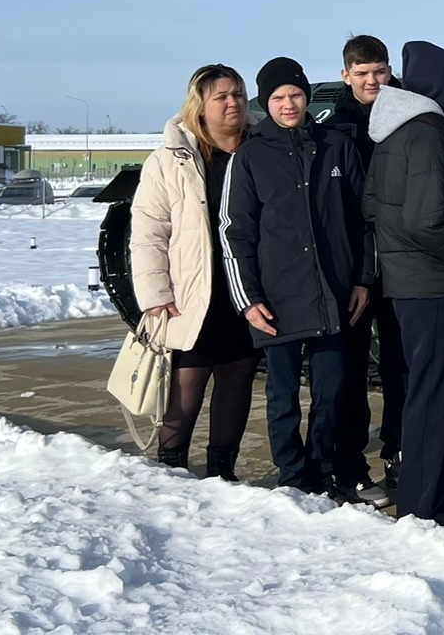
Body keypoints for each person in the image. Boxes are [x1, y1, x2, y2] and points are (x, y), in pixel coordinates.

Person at [221, 57, 374, 498]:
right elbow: (236, 232)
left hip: (332, 292)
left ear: (306, 96)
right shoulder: (249, 157)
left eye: (294, 95)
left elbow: (364, 217)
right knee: (283, 397)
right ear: (265, 102)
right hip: (277, 297)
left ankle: (323, 473)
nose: (288, 104)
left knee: (331, 394)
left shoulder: (335, 146)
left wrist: (363, 278)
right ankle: (292, 476)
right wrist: (247, 298)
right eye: (277, 97)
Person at [364, 41, 444, 521]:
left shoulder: (393, 129)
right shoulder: (430, 131)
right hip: (433, 282)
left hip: (408, 281)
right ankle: (423, 508)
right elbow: (427, 218)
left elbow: (373, 206)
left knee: (424, 390)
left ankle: (437, 495)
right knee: (433, 396)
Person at [130, 64, 258, 482]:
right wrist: (154, 293)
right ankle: (171, 468)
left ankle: (223, 470)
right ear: (199, 106)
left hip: (244, 289)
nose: (233, 103)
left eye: (238, 94)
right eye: (221, 96)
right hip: (190, 291)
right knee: (186, 381)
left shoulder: (258, 151)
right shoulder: (171, 159)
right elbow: (149, 230)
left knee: (237, 378)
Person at [319, 34, 405, 500]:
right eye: (363, 73)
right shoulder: (335, 130)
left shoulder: (408, 114)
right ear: (346, 75)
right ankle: (350, 465)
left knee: (400, 366)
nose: (373, 81)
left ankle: (398, 452)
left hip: (401, 261)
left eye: (380, 71)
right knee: (349, 373)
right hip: (354, 267)